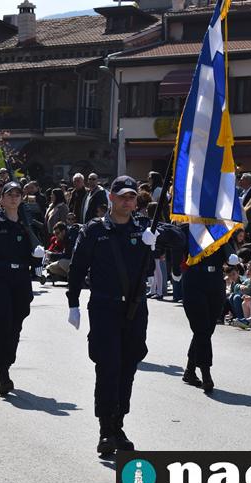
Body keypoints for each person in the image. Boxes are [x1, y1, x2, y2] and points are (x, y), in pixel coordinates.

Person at [66, 175, 183, 455]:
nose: (127, 201)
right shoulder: (94, 230)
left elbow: (180, 237)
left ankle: (118, 424)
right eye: (122, 196)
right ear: (111, 198)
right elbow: (77, 267)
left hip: (135, 308)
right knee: (108, 366)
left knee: (128, 367)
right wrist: (73, 303)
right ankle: (105, 429)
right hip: (104, 306)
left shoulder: (144, 227)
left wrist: (158, 240)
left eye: (131, 197)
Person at [0, 182, 45, 396]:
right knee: (2, 322)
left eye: (18, 194)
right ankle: (3, 372)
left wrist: (38, 259)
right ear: (1, 199)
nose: (14, 198)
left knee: (16, 324)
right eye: (10, 194)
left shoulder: (28, 223)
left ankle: (7, 361)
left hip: (21, 278)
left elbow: (36, 250)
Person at [181, 239, 240, 391]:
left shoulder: (221, 232)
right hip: (194, 279)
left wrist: (229, 251)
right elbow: (175, 241)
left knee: (206, 330)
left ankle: (190, 370)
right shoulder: (189, 229)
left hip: (215, 280)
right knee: (201, 329)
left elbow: (230, 255)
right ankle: (206, 374)